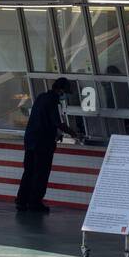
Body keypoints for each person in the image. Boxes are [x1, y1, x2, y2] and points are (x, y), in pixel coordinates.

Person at [16, 77, 81, 213]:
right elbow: (57, 122)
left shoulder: (41, 97)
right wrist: (74, 133)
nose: (65, 96)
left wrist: (55, 133)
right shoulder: (53, 101)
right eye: (65, 92)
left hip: (30, 140)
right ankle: (35, 203)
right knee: (41, 173)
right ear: (61, 90)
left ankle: (22, 201)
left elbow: (42, 120)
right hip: (42, 143)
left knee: (28, 171)